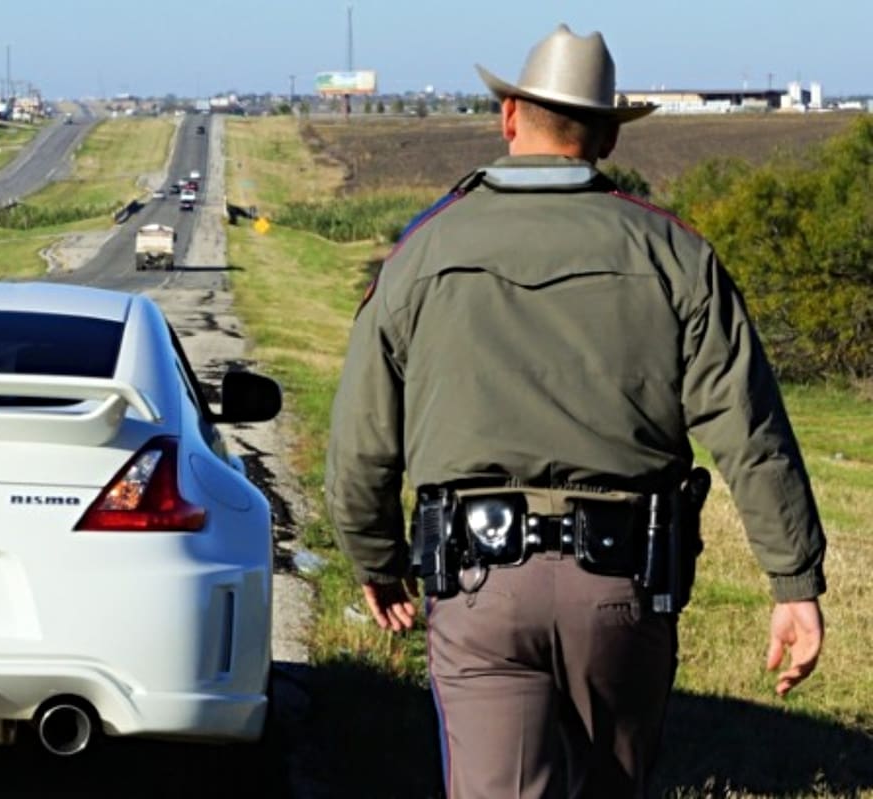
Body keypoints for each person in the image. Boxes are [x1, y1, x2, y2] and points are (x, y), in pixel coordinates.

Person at [324, 23, 827, 799]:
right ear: (608, 138)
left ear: (509, 116)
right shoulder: (674, 254)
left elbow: (360, 444)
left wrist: (376, 559)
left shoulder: (421, 252)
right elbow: (751, 434)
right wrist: (793, 581)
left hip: (478, 580)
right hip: (623, 585)